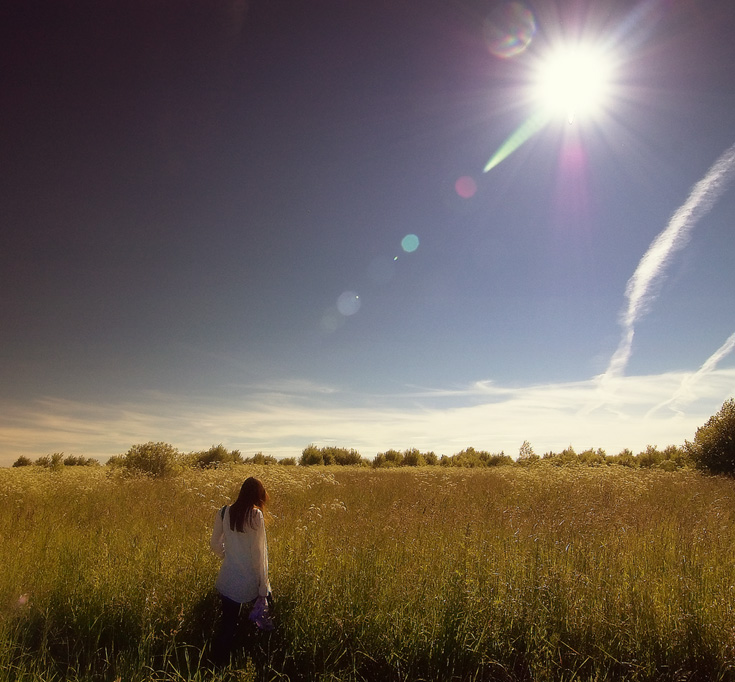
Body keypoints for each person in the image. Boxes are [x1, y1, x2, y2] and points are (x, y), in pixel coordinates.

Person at [209, 476, 272, 665]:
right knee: (259, 623)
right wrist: (264, 586)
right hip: (250, 581)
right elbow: (260, 553)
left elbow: (214, 544)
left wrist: (226, 556)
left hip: (228, 579)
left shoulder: (223, 512)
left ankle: (217, 664)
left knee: (227, 625)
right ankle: (255, 661)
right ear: (257, 496)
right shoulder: (256, 515)